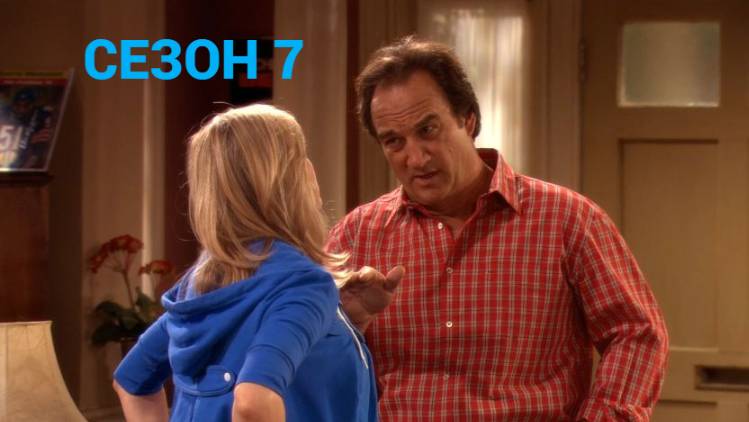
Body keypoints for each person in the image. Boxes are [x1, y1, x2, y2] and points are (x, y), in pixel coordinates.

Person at [329, 36, 669, 421]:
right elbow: (304, 362)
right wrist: (347, 325)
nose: (416, 158)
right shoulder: (357, 235)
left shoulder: (566, 220)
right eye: (394, 142)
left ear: (468, 119)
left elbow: (636, 333)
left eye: (428, 130)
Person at [112, 104, 378, 422]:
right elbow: (253, 402)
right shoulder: (304, 284)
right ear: (299, 177)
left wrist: (345, 320)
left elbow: (131, 382)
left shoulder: (201, 284)